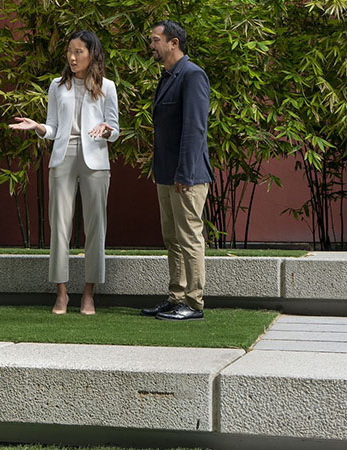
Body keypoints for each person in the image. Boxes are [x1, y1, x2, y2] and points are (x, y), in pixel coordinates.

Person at [9, 30, 119, 315]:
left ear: (92, 54)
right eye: (69, 51)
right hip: (63, 157)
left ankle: (88, 294)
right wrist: (38, 128)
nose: (72, 57)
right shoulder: (57, 86)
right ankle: (61, 293)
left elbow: (115, 130)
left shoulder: (107, 86)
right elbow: (53, 127)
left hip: (96, 158)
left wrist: (106, 130)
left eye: (78, 51)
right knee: (59, 226)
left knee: (96, 227)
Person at [139, 20, 213, 321]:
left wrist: (184, 173)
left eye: (156, 40)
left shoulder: (192, 75)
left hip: (187, 176)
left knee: (189, 236)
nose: (152, 45)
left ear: (173, 43)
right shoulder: (168, 76)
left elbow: (194, 130)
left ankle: (194, 303)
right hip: (168, 173)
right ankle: (176, 296)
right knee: (172, 237)